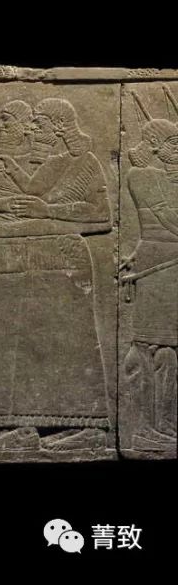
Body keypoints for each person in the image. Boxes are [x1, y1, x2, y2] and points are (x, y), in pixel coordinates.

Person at [0, 98, 112, 451]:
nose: (33, 129)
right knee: (2, 340)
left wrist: (49, 210)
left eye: (39, 123)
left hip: (61, 261)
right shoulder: (57, 163)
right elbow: (25, 197)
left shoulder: (85, 163)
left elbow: (101, 216)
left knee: (63, 343)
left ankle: (87, 426)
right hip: (26, 255)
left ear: (59, 127)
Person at [122, 117, 177, 451]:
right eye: (174, 143)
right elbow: (169, 220)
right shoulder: (142, 176)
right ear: (155, 145)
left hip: (166, 267)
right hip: (158, 269)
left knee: (167, 350)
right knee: (153, 348)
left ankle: (164, 425)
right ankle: (147, 428)